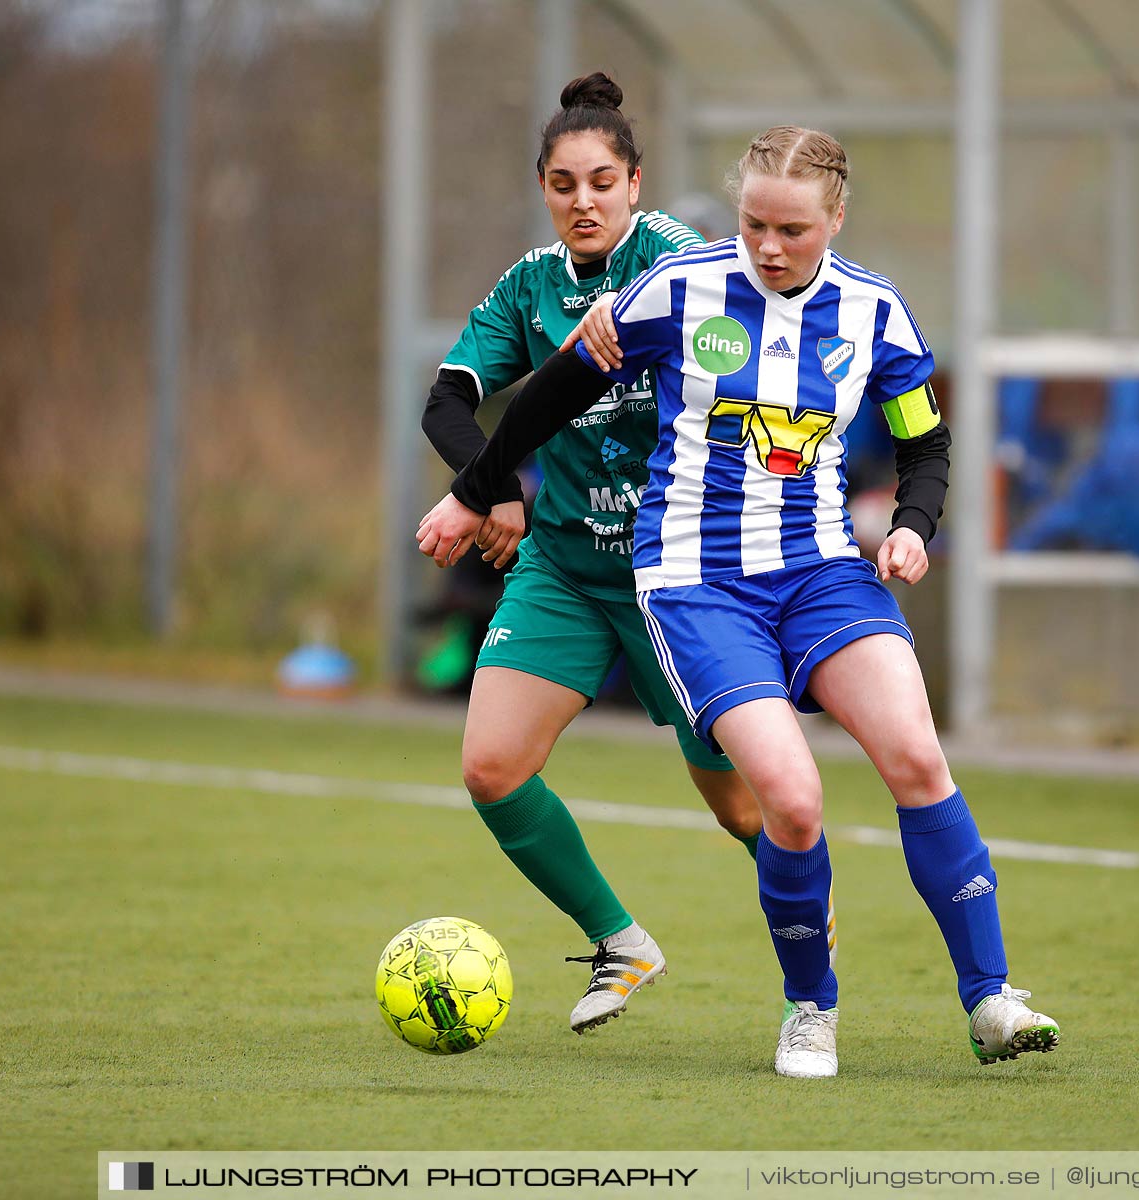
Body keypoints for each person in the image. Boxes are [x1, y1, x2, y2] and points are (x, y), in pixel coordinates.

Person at [420, 126, 1060, 1078]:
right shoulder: (678, 289)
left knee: (918, 756)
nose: (768, 246)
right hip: (698, 580)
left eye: (793, 230)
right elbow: (549, 399)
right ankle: (811, 1010)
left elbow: (926, 442)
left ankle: (992, 1001)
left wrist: (915, 524)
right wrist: (478, 490)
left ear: (835, 218)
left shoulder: (875, 311)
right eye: (755, 223)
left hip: (822, 574)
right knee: (790, 804)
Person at [417, 74, 831, 1034]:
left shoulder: (683, 267)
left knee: (745, 811)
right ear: (543, 188)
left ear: (635, 183)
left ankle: (815, 963)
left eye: (602, 180)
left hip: (680, 575)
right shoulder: (530, 284)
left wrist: (474, 495)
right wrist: (498, 489)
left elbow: (748, 375)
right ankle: (621, 941)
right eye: (563, 184)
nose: (583, 201)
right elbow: (448, 398)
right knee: (491, 767)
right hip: (565, 566)